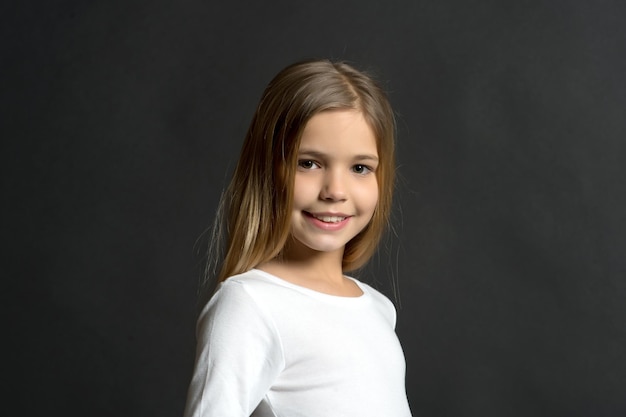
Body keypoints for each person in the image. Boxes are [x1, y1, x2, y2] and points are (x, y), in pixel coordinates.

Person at [183, 59, 412, 416]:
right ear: (268, 170)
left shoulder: (378, 308)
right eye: (309, 163)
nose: (336, 191)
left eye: (360, 168)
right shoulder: (250, 305)